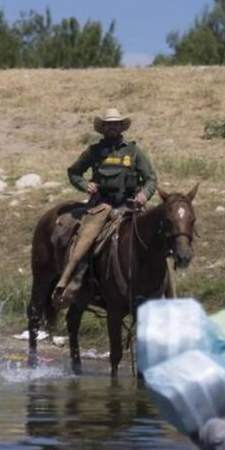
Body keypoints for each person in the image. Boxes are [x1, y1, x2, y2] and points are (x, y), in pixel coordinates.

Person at [51, 108, 158, 309]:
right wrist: (85, 185)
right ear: (103, 128)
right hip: (103, 205)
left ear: (120, 127)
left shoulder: (133, 151)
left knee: (157, 239)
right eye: (108, 124)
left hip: (130, 204)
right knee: (86, 238)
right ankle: (71, 281)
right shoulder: (93, 152)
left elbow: (151, 178)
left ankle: (166, 290)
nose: (112, 127)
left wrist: (144, 195)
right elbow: (74, 172)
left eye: (115, 124)